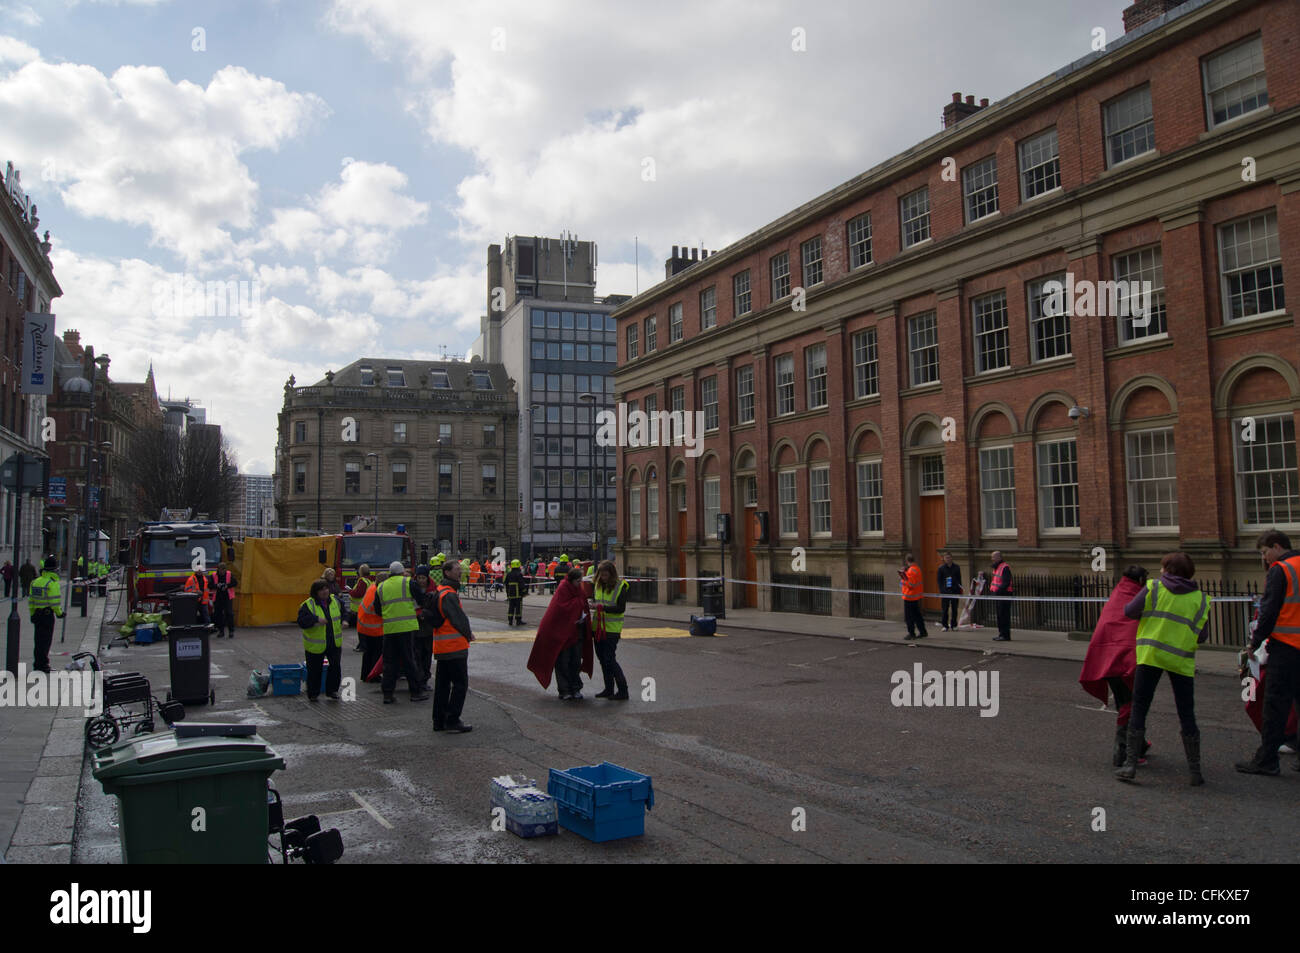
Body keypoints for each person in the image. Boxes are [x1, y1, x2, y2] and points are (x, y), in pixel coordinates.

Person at [1116, 552, 1211, 785]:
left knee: (1140, 707)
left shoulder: (1154, 588)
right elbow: (1203, 636)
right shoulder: (1201, 598)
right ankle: (1195, 771)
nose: (1160, 571)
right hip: (1180, 659)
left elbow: (1129, 611)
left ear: (1169, 570)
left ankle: (1129, 765)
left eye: (1163, 567)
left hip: (1151, 655)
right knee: (1186, 713)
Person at [1235, 529, 1300, 775]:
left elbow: (1269, 610)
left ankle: (1266, 760)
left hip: (1287, 647)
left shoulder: (1281, 570)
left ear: (1276, 546)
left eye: (1264, 552)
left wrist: (1255, 641)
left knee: (1275, 705)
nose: (1265, 558)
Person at [1080, 566, 1151, 767]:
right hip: (1124, 662)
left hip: (1108, 660)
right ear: (1139, 580)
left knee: (1128, 704)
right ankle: (1123, 752)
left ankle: (1141, 744)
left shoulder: (1119, 593)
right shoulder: (1137, 596)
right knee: (1130, 706)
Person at [527, 567, 593, 700]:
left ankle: (575, 688)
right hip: (563, 635)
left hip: (577, 633)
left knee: (575, 662)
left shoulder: (578, 590)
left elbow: (582, 604)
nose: (579, 584)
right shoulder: (563, 589)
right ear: (571, 580)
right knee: (563, 662)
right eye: (577, 581)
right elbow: (560, 609)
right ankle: (564, 690)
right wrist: (577, 606)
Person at [427, 558, 475, 732]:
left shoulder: (440, 591)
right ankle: (452, 719)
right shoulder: (449, 594)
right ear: (447, 572)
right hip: (454, 647)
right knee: (460, 684)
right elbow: (458, 619)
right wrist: (468, 634)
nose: (460, 572)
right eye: (457, 569)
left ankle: (438, 721)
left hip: (442, 647)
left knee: (442, 685)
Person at [374, 560, 428, 703]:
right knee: (409, 660)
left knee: (389, 662)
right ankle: (415, 692)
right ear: (402, 571)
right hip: (407, 627)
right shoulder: (408, 582)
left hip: (389, 629)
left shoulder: (381, 586)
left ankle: (387, 695)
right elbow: (422, 600)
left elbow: (377, 609)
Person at [297, 579, 343, 701]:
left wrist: (345, 620)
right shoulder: (308, 604)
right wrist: (316, 619)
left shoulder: (335, 601)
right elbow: (301, 621)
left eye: (326, 588)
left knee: (335, 667)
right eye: (321, 589)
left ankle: (332, 691)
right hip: (315, 645)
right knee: (314, 670)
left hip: (333, 642)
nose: (325, 591)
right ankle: (313, 693)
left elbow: (344, 613)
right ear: (315, 592)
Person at [591, 560, 629, 700]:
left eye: (606, 575)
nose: (603, 577)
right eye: (601, 575)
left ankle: (623, 690)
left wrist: (602, 608)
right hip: (598, 628)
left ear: (612, 574)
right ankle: (609, 689)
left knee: (609, 659)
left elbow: (621, 608)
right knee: (602, 659)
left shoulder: (620, 586)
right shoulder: (597, 585)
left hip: (612, 630)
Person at [28, 556, 64, 673]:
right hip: (47, 615)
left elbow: (31, 601)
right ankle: (44, 665)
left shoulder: (35, 582)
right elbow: (54, 602)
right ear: (54, 569)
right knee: (46, 641)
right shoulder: (52, 583)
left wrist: (32, 614)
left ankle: (37, 664)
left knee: (38, 641)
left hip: (37, 615)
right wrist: (59, 613)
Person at [357, 570, 387, 684]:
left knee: (368, 653)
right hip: (373, 627)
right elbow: (381, 611)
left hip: (364, 625)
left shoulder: (372, 587)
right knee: (376, 652)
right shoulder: (379, 592)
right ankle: (373, 676)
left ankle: (365, 675)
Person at [412, 564, 434, 691]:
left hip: (428, 627)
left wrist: (426, 614)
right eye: (419, 578)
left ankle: (425, 678)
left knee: (427, 655)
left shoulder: (433, 590)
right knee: (417, 655)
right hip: (415, 627)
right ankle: (419, 680)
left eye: (423, 578)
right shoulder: (412, 589)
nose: (421, 580)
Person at [899, 553, 927, 641]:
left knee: (909, 617)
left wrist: (903, 578)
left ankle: (911, 633)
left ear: (907, 561)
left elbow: (910, 584)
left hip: (909, 596)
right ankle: (923, 631)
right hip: (916, 596)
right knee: (917, 615)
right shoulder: (917, 569)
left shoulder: (911, 571)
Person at [989, 550, 1013, 642]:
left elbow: (1006, 582)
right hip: (998, 595)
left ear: (999, 557)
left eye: (993, 557)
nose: (992, 559)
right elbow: (995, 581)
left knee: (1004, 616)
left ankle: (1005, 635)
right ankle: (1001, 634)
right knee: (1000, 615)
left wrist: (998, 591)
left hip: (1004, 595)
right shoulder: (997, 567)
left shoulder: (1004, 567)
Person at [209, 562, 237, 638]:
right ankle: (221, 631)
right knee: (218, 614)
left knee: (229, 613)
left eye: (223, 570)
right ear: (218, 569)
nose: (222, 571)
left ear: (225, 570)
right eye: (220, 570)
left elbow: (235, 583)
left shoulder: (229, 574)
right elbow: (209, 585)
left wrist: (227, 586)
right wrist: (216, 586)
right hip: (217, 597)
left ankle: (231, 631)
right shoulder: (213, 575)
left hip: (228, 597)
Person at [937, 551, 962, 631]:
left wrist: (959, 589)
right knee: (945, 609)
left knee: (954, 609)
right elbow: (939, 581)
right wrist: (942, 590)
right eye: (946, 558)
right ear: (944, 559)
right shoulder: (941, 568)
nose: (948, 559)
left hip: (954, 590)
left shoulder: (956, 567)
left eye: (949, 557)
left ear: (951, 558)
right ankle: (945, 625)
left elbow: (959, 579)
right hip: (945, 591)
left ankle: (954, 625)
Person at [505, 559, 526, 626]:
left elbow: (506, 584)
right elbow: (521, 584)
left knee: (511, 607)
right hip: (518, 594)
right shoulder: (519, 574)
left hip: (511, 594)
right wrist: (524, 592)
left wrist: (507, 593)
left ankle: (510, 620)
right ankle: (518, 621)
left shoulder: (509, 574)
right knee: (518, 607)